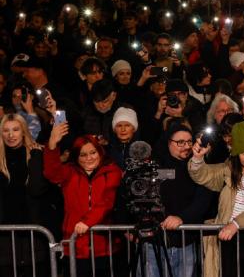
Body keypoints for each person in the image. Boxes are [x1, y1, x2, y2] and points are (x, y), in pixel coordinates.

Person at [188, 121, 244, 277]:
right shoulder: (229, 168)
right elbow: (204, 176)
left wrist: (236, 224)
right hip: (227, 234)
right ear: (236, 153)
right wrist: (198, 159)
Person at [43, 124, 124, 276]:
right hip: (74, 245)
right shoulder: (69, 172)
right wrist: (52, 145)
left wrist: (87, 221)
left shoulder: (112, 171)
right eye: (83, 155)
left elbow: (107, 201)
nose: (89, 158)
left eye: (93, 153)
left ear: (99, 152)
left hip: (104, 245)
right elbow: (52, 173)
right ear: (76, 156)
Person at [137, 125, 212, 277]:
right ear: (168, 142)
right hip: (154, 242)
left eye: (189, 142)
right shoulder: (152, 166)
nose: (186, 146)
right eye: (180, 142)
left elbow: (203, 199)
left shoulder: (199, 166)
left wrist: (181, 218)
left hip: (185, 241)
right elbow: (142, 198)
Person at [0, 113, 60, 276]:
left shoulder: (36, 154)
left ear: (24, 131)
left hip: (35, 233)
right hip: (4, 235)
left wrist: (35, 157)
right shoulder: (0, 158)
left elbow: (37, 189)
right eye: (5, 131)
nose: (11, 135)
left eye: (15, 130)